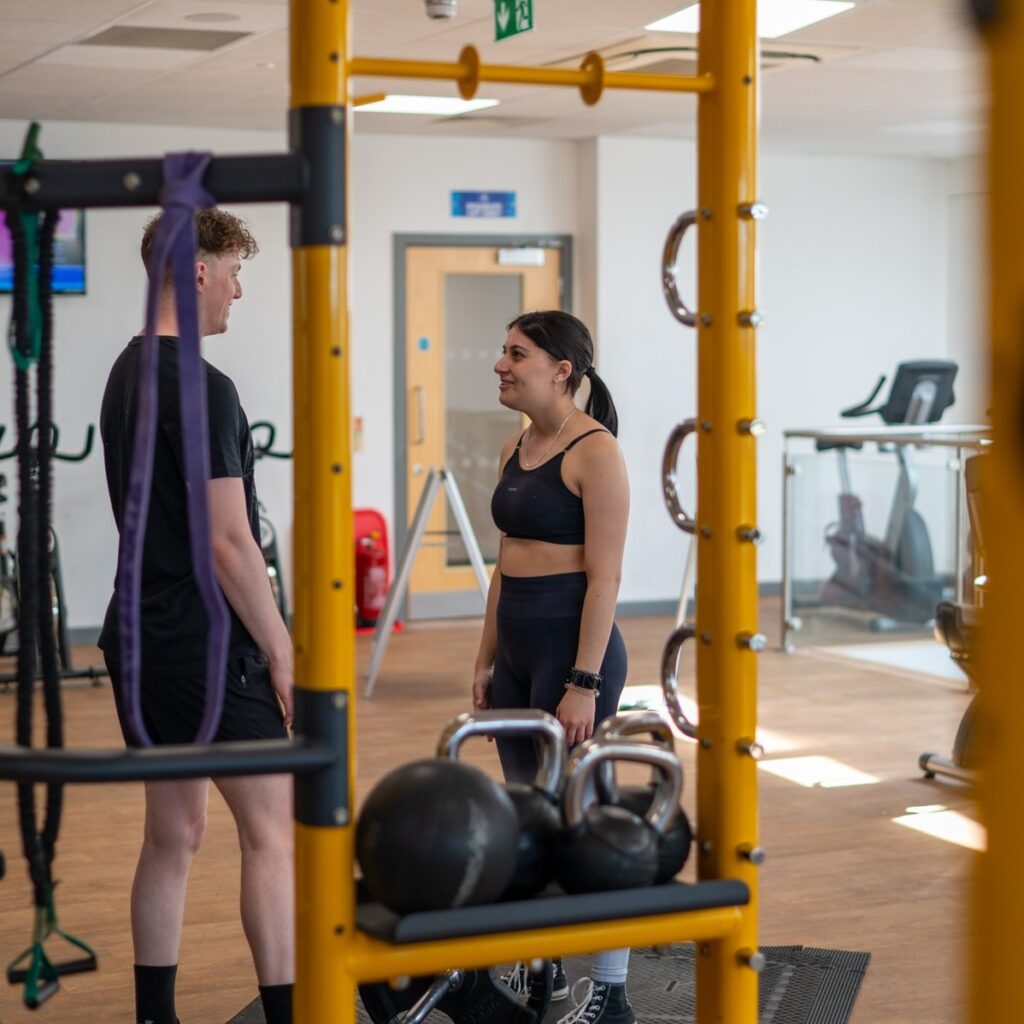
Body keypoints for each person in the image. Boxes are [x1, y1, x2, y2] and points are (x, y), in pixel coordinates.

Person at [98, 209, 294, 1024]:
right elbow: (228, 543)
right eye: (235, 272)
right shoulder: (204, 388)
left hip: (139, 637)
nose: (239, 291)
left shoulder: (125, 370)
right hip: (209, 645)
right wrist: (285, 652)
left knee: (173, 834)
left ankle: (156, 1016)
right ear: (199, 270)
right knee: (273, 831)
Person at [473, 310, 634, 1024]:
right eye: (504, 353)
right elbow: (504, 565)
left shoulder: (595, 451)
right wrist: (485, 661)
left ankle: (609, 986)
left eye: (517, 354)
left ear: (561, 369)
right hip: (515, 650)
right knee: (528, 817)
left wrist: (584, 683)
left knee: (587, 819)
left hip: (574, 654)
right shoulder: (520, 444)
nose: (501, 365)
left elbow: (605, 579)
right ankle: (536, 959)